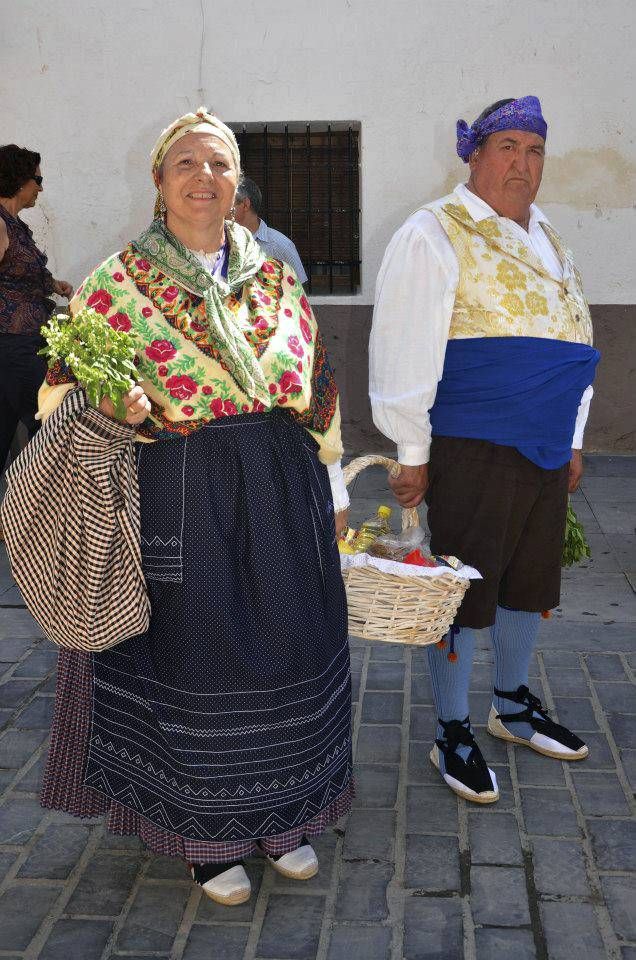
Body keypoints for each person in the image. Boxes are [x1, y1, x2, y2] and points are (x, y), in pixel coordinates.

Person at [38, 108, 353, 905]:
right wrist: (123, 410)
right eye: (185, 163)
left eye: (218, 164)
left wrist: (337, 484)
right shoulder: (118, 282)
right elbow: (54, 401)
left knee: (293, 645)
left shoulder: (274, 274)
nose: (203, 178)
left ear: (236, 179)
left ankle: (284, 820)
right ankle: (205, 835)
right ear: (158, 182)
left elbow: (315, 385)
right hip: (181, 490)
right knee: (198, 658)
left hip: (284, 486)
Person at [370, 97, 599, 804]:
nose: (521, 165)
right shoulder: (433, 231)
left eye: (534, 150)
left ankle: (511, 704)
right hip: (472, 442)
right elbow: (404, 342)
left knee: (530, 582)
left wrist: (573, 437)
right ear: (473, 153)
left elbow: (574, 337)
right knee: (463, 591)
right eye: (507, 147)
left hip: (542, 445)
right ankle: (450, 729)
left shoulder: (550, 235)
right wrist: (412, 448)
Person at [0, 144, 73, 472]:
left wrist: (53, 284)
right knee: (49, 427)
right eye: (37, 180)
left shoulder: (14, 225)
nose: (40, 187)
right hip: (14, 344)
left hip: (23, 341)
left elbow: (18, 272)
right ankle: (53, 512)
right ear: (18, 180)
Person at [234, 176, 309, 284]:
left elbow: (299, 293)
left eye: (227, 202)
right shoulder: (218, 242)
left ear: (245, 204)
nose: (220, 208)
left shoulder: (280, 245)